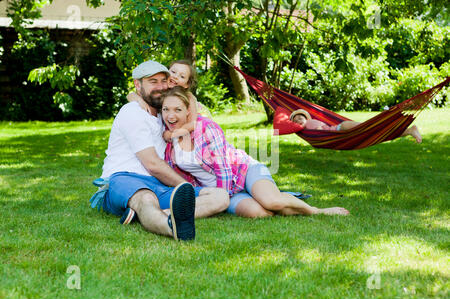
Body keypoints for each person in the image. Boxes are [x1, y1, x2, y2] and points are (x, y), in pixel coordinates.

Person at [89, 60, 229, 241]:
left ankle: (144, 215)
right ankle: (172, 227)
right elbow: (153, 164)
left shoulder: (164, 114)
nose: (161, 86)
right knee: (146, 199)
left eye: (164, 80)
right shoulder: (132, 112)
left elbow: (189, 108)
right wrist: (185, 187)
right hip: (124, 179)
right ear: (138, 84)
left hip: (159, 185)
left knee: (220, 197)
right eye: (153, 82)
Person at [161, 86, 350, 218]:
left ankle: (316, 210)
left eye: (177, 109)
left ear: (188, 111)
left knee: (272, 202)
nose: (171, 115)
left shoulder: (206, 128)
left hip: (243, 171)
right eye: (166, 109)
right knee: (260, 213)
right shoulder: (169, 141)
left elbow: (224, 168)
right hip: (226, 192)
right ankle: (266, 197)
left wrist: (220, 200)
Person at [127, 60, 212, 143]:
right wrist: (137, 99)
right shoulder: (164, 93)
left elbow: (193, 124)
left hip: (195, 135)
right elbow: (130, 95)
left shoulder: (188, 96)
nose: (175, 77)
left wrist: (171, 134)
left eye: (182, 76)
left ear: (187, 84)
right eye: (173, 72)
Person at [289, 109, 422, 143]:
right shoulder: (304, 129)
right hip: (340, 135)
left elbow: (319, 130)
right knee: (377, 134)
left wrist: (318, 133)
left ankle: (373, 125)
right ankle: (409, 130)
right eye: (296, 120)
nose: (299, 121)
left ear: (306, 117)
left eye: (301, 118)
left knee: (369, 129)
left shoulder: (310, 124)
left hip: (341, 129)